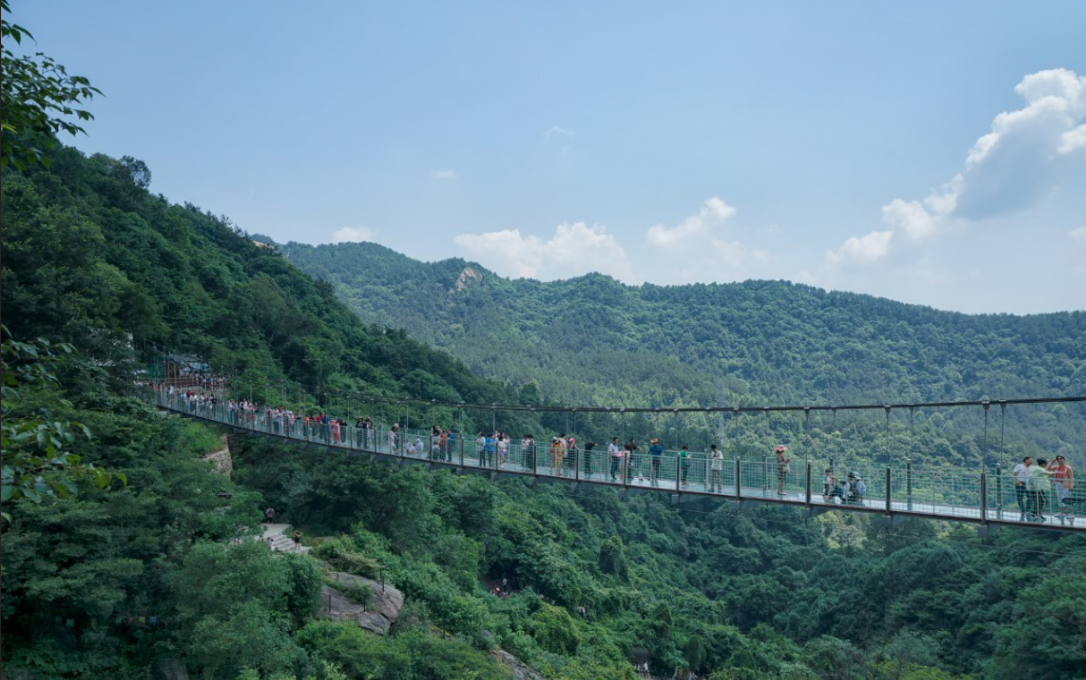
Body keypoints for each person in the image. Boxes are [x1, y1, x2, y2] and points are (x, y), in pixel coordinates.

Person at [1048, 455, 1075, 522]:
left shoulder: (1068, 468)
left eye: (1061, 458)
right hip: (1058, 484)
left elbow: (1071, 477)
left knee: (1066, 499)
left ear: (1064, 459)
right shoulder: (1057, 467)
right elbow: (1048, 469)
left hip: (1066, 484)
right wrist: (1052, 462)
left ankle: (1071, 513)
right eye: (1058, 459)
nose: (1059, 460)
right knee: (1059, 498)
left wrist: (1071, 486)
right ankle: (1061, 513)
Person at [1012, 456, 1033, 520]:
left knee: (1030, 497)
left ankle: (1027, 510)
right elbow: (1014, 473)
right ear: (1026, 460)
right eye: (1030, 460)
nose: (1031, 461)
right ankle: (1022, 511)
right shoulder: (1019, 466)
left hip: (1028, 484)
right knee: (1020, 497)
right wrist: (1016, 480)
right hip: (1020, 483)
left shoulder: (1032, 467)